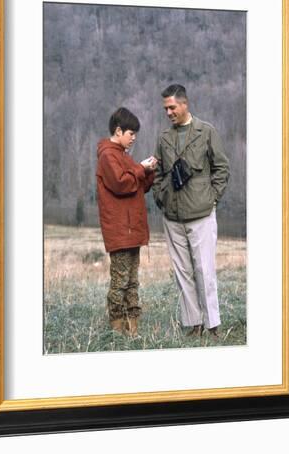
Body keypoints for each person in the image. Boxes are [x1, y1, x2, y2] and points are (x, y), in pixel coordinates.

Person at [152, 84, 230, 339]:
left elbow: (221, 169)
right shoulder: (164, 138)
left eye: (172, 107)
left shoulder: (206, 132)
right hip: (172, 218)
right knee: (182, 273)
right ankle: (193, 324)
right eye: (166, 108)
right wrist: (160, 197)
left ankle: (213, 325)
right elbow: (158, 173)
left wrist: (212, 199)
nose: (168, 112)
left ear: (185, 104)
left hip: (201, 216)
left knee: (204, 270)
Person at [96, 107, 157, 337]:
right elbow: (122, 184)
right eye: (131, 133)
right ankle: (116, 326)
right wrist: (140, 168)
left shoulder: (122, 155)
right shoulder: (108, 155)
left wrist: (148, 171)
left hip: (131, 230)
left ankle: (133, 326)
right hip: (120, 231)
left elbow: (138, 185)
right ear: (118, 130)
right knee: (121, 281)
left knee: (132, 280)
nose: (134, 138)